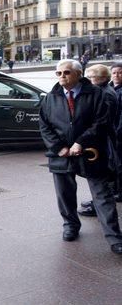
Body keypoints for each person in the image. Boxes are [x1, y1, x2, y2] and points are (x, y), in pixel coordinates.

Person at [39, 59, 122, 255]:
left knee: (102, 195)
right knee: (65, 194)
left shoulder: (96, 94)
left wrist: (81, 142)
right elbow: (45, 126)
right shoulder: (51, 97)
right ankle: (70, 226)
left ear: (78, 74)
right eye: (58, 73)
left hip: (91, 153)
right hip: (61, 155)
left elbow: (101, 122)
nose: (62, 77)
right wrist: (59, 147)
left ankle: (114, 237)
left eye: (66, 73)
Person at [77, 64, 118, 217]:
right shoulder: (104, 90)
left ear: (101, 78)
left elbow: (102, 120)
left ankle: (98, 206)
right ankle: (97, 202)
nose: (87, 80)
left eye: (90, 77)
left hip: (103, 140)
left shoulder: (104, 93)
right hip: (105, 138)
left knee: (101, 176)